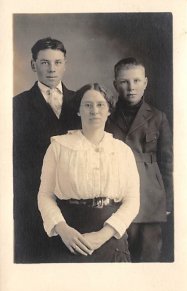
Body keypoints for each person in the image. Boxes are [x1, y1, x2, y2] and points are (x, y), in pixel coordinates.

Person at [37, 83, 140, 263]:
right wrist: (62, 229)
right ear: (78, 110)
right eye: (88, 105)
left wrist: (104, 234)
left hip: (110, 237)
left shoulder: (122, 151)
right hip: (69, 237)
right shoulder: (58, 147)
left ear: (109, 110)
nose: (94, 110)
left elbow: (132, 200)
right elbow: (45, 195)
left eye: (100, 105)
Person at [13, 37, 77, 263]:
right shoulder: (15, 106)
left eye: (58, 62)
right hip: (31, 201)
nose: (52, 69)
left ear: (65, 64)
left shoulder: (81, 101)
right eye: (44, 62)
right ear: (33, 65)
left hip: (74, 201)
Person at [106, 57, 173, 262]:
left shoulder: (158, 117)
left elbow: (167, 163)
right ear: (116, 84)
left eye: (136, 81)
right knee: (118, 257)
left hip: (149, 199)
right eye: (125, 82)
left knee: (147, 258)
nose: (131, 87)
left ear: (145, 82)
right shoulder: (106, 116)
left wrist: (167, 201)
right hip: (116, 197)